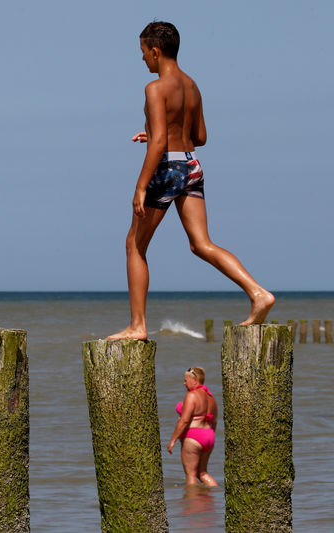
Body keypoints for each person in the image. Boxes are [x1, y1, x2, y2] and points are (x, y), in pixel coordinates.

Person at [108, 21, 274, 340]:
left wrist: (141, 186)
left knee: (134, 245)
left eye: (143, 53)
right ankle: (258, 293)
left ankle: (137, 326)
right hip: (191, 165)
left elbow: (160, 145)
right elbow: (199, 137)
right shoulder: (192, 85)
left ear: (155, 51)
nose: (142, 59)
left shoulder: (155, 89)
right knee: (202, 244)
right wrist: (161, 134)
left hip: (167, 167)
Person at [168, 367, 218, 486]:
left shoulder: (192, 395)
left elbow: (184, 420)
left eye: (186, 380)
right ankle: (216, 494)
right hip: (209, 436)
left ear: (195, 381)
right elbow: (214, 421)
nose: (184, 383)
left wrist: (173, 440)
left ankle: (192, 504)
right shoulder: (211, 398)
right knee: (202, 473)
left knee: (190, 475)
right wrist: (208, 437)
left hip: (193, 437)